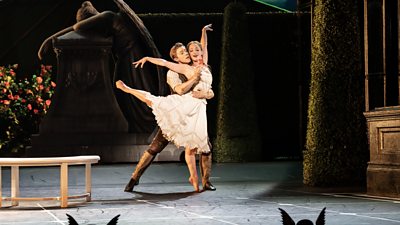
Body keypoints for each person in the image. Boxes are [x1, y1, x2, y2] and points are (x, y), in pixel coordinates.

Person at [38, 0, 168, 133]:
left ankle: (146, 126)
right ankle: (137, 127)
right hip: (125, 57)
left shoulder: (107, 16)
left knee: (133, 92)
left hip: (132, 57)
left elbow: (77, 27)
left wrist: (48, 40)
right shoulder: (111, 18)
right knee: (123, 93)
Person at [123, 25, 216, 193]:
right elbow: (179, 89)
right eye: (184, 52)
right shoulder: (175, 72)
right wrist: (148, 59)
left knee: (205, 145)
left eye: (188, 52)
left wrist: (208, 93)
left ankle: (205, 181)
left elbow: (204, 47)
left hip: (194, 113)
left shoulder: (202, 65)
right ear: (176, 57)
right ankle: (134, 178)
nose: (188, 54)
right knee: (156, 146)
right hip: (177, 113)